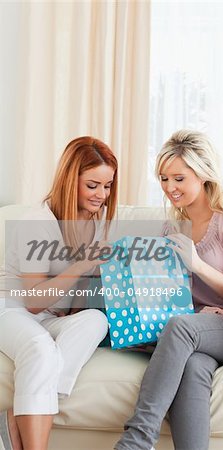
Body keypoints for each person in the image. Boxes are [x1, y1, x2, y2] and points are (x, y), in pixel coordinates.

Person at [115, 129, 223, 450]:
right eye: (163, 179)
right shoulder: (172, 228)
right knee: (192, 367)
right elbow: (173, 297)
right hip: (199, 329)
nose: (169, 188)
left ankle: (137, 440)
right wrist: (196, 314)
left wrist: (199, 265)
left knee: (179, 327)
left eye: (178, 178)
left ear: (203, 174)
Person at [0, 136, 118, 450]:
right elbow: (35, 301)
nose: (101, 195)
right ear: (70, 179)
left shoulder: (94, 222)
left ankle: (15, 417)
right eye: (93, 185)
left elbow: (75, 296)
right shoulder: (36, 222)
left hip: (51, 314)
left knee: (95, 320)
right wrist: (83, 264)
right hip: (12, 310)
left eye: (107, 186)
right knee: (40, 349)